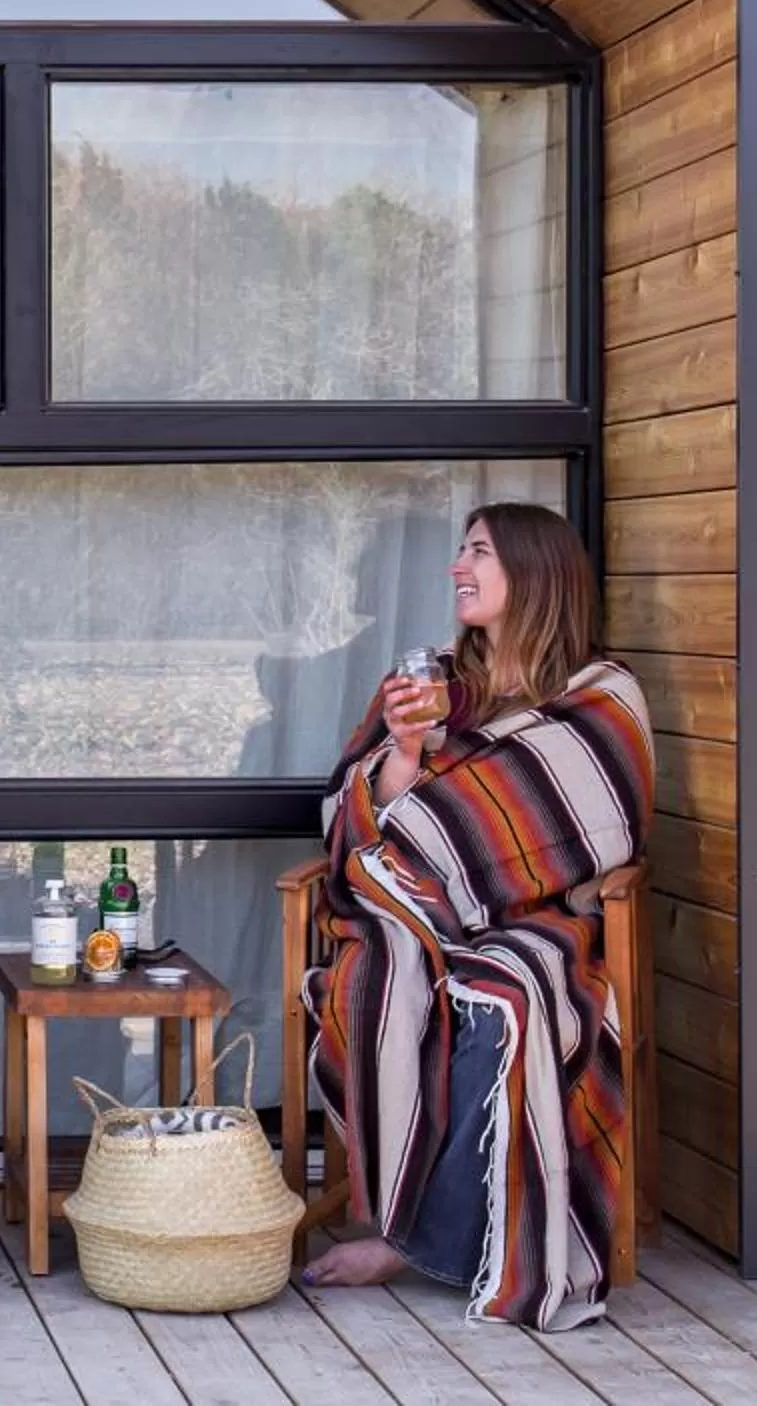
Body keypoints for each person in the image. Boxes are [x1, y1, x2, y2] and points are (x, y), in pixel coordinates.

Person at [296, 501, 653, 1330]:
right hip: (410, 916)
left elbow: (603, 820)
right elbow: (353, 824)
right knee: (383, 981)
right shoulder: (435, 687)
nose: (458, 567)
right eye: (461, 551)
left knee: (506, 993)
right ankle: (411, 1220)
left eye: (479, 552)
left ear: (534, 571)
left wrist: (451, 855)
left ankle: (417, 1242)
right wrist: (404, 753)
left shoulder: (600, 697)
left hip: (543, 919)